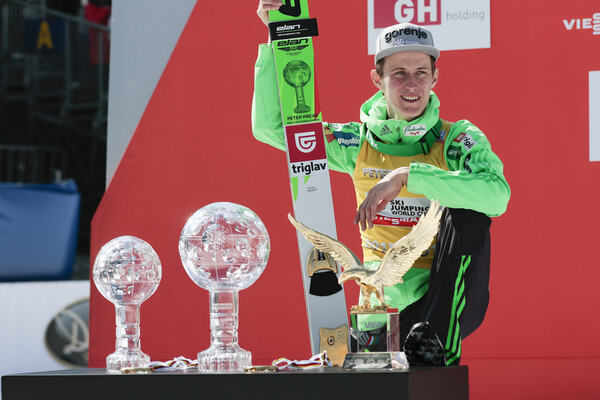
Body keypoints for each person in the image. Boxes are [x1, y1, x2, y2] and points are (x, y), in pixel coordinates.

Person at [252, 0, 510, 367]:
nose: (412, 84)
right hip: (385, 309)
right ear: (378, 79)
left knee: (471, 212)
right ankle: (414, 345)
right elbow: (274, 129)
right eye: (399, 73)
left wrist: (409, 176)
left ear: (435, 78)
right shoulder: (357, 142)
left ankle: (434, 341)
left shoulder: (455, 139)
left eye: (421, 72)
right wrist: (275, 37)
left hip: (447, 301)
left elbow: (498, 196)